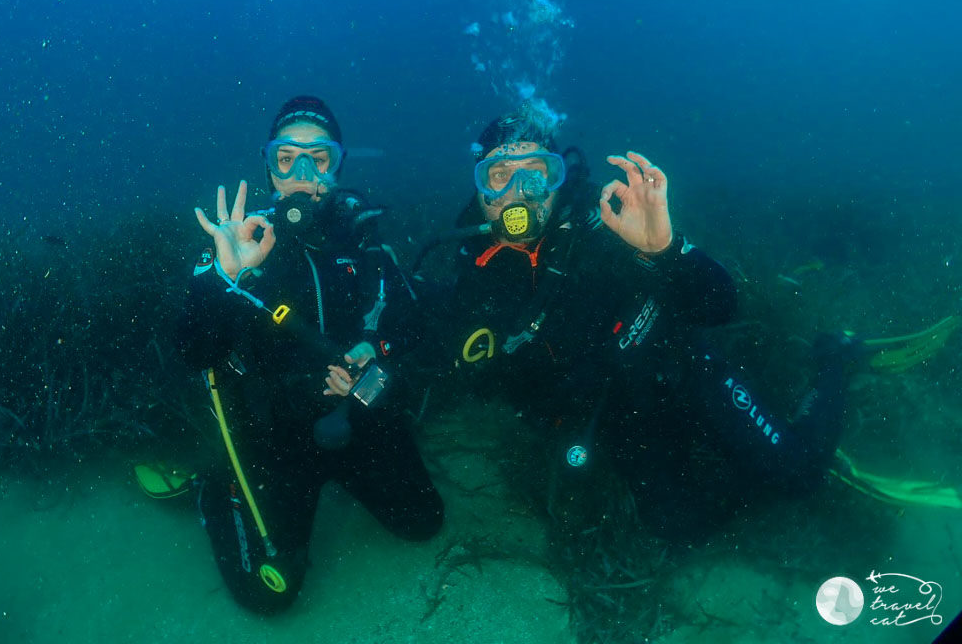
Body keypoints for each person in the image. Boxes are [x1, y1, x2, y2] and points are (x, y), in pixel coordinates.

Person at [412, 107, 850, 540]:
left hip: (683, 371)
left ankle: (837, 358)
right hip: (617, 418)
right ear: (480, 189)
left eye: (537, 171)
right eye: (499, 173)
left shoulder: (608, 226)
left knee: (799, 476)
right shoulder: (472, 272)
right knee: (676, 528)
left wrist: (666, 252)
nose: (519, 191)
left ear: (558, 179)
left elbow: (722, 306)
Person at [174, 96, 443, 614]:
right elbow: (192, 350)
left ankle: (335, 479)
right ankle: (217, 486)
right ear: (269, 167)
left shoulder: (362, 240)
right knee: (268, 593)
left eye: (318, 159)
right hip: (273, 433)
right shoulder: (239, 241)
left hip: (353, 417)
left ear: (337, 167)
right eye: (286, 158)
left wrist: (376, 355)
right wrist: (224, 280)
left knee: (422, 521)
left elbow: (412, 328)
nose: (302, 173)